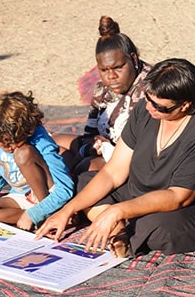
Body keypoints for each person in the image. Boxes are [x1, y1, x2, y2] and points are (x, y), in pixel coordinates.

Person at [36, 58, 195, 258]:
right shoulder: (146, 109)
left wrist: (118, 210)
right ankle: (118, 230)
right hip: (147, 188)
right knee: (86, 182)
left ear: (184, 105)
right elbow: (113, 171)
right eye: (148, 99)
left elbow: (179, 197)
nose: (149, 108)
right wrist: (66, 211)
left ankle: (121, 227)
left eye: (158, 106)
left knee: (159, 227)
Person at [54, 15, 152, 177]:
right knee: (54, 144)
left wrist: (107, 149)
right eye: (104, 70)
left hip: (132, 156)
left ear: (133, 59)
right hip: (104, 147)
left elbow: (143, 143)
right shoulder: (102, 89)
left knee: (85, 168)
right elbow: (89, 133)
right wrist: (95, 142)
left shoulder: (149, 87)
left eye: (118, 68)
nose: (111, 76)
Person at [0, 91, 74, 231]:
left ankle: (48, 214)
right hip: (22, 196)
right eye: (2, 142)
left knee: (22, 154)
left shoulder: (41, 142)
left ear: (29, 131)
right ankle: (47, 219)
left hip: (48, 195)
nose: (8, 148)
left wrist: (35, 213)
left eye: (14, 142)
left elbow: (65, 189)